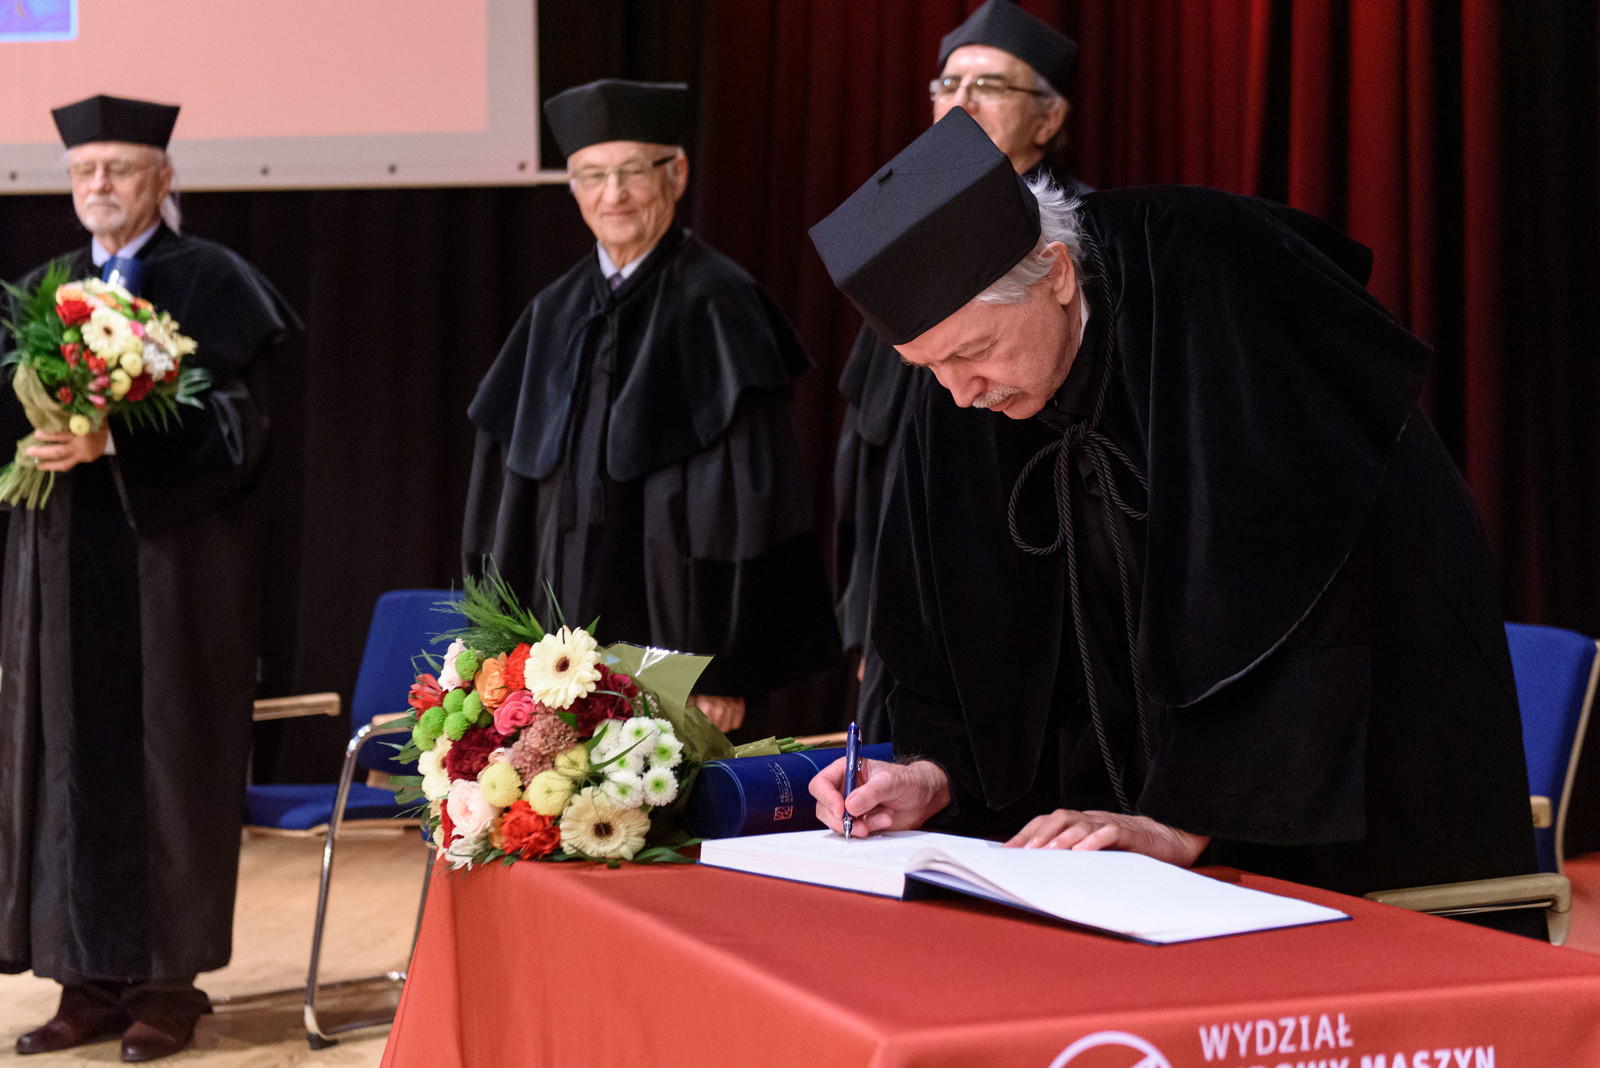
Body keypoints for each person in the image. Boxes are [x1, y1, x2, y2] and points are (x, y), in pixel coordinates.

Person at [806, 108, 1540, 931]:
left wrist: (1186, 816)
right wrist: (933, 772)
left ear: (1055, 272)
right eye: (928, 366)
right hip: (1123, 843)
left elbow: (1297, 586)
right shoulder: (961, 379)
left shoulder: (1216, 277)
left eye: (972, 353)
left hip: (1371, 766)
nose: (959, 393)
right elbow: (956, 623)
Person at [0, 95, 297, 1060]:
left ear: (162, 179)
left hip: (175, 574)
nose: (100, 186)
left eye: (120, 169)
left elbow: (241, 430)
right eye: (84, 171)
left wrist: (117, 442)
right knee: (66, 760)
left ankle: (168, 986)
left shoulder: (213, 282)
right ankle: (82, 980)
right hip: (62, 570)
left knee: (172, 764)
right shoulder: (45, 289)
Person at [463, 79, 838, 737]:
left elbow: (752, 507)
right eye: (592, 175)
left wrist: (722, 668)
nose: (614, 194)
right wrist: (500, 650)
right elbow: (506, 504)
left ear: (677, 173)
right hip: (554, 657)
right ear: (572, 185)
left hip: (681, 657)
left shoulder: (720, 304)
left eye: (633, 171)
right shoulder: (552, 313)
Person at [835, 0, 1086, 741]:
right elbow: (869, 464)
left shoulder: (1082, 243)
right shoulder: (895, 252)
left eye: (990, 86)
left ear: (1048, 118)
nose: (963, 102)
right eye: (949, 85)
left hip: (1033, 612)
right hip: (910, 611)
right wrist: (867, 618)